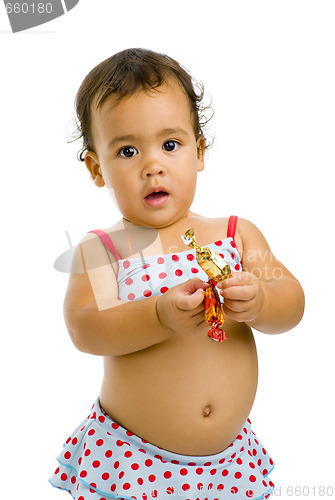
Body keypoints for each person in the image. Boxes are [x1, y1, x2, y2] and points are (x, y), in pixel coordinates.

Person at [49, 48, 304, 500]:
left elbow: (292, 301)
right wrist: (157, 316)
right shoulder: (103, 249)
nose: (153, 166)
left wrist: (262, 301)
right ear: (96, 168)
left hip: (229, 465)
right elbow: (84, 329)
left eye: (170, 145)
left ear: (199, 151)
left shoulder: (236, 235)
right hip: (134, 462)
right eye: (127, 151)